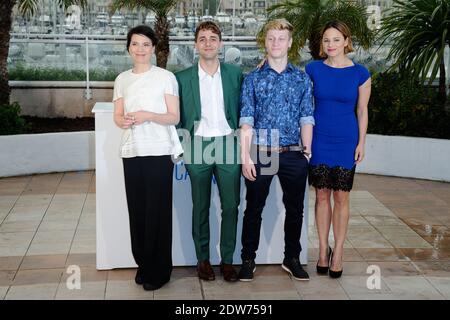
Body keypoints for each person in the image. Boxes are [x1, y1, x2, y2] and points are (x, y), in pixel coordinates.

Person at [239, 19, 314, 282]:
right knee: (254, 208)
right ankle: (248, 259)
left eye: (281, 39)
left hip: (294, 153)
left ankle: (291, 258)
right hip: (262, 152)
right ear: (265, 42)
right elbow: (246, 120)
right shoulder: (253, 78)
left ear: (290, 43)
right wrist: (245, 156)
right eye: (271, 38)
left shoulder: (302, 79)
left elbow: (307, 117)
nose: (276, 43)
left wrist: (307, 153)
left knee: (295, 210)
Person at [112, 25, 183, 291]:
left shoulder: (165, 77)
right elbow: (118, 117)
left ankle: (160, 270)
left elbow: (173, 117)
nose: (140, 49)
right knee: (138, 211)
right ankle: (143, 263)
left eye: (145, 44)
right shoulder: (121, 80)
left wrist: (148, 115)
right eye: (135, 44)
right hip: (132, 152)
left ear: (153, 48)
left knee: (158, 213)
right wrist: (126, 120)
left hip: (159, 152)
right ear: (128, 47)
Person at [175, 21, 243, 282]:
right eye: (202, 39)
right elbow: (178, 116)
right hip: (198, 144)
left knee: (231, 206)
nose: (207, 43)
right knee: (200, 206)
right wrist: (183, 146)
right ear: (195, 45)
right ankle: (202, 260)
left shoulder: (234, 74)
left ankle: (227, 261)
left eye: (213, 38)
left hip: (228, 143)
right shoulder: (182, 78)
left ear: (221, 44)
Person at [305, 20, 371, 278]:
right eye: (326, 40)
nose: (330, 44)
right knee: (321, 195)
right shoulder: (312, 69)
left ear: (346, 41)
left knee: (341, 197)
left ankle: (339, 251)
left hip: (346, 140)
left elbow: (362, 111)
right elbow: (294, 88)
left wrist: (362, 142)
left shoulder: (361, 73)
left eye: (335, 39)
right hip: (319, 139)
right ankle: (323, 251)